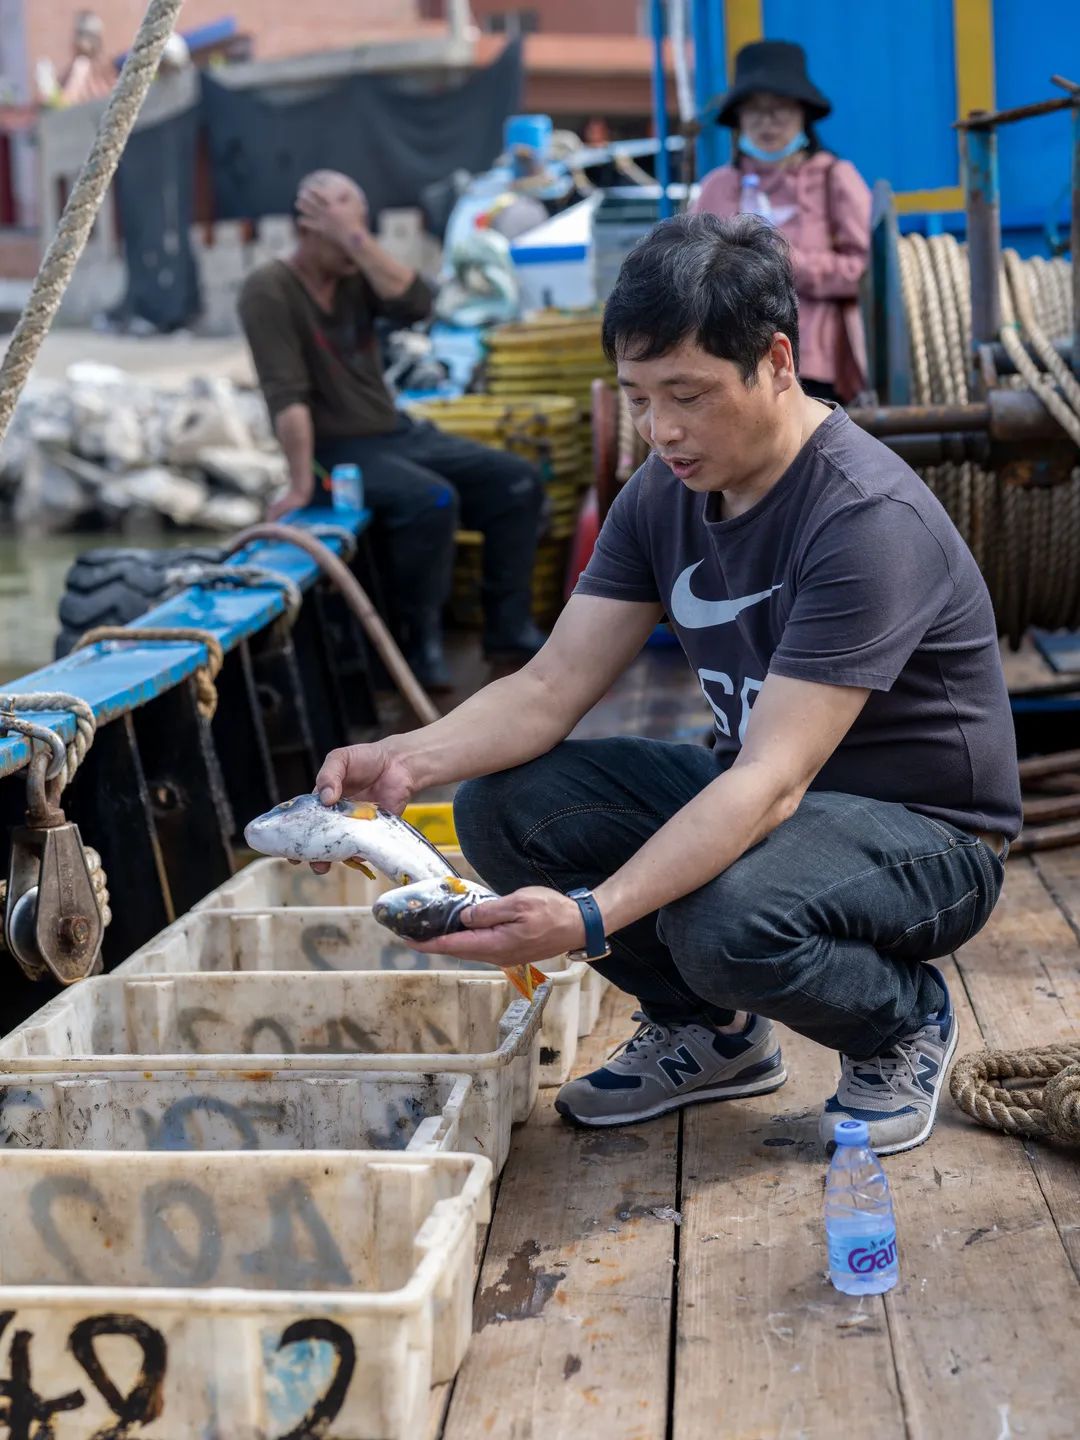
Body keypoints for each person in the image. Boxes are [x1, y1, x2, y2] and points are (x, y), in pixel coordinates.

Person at [312, 213, 1020, 1156]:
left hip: (927, 841)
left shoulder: (866, 517)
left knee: (723, 921)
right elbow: (548, 686)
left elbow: (771, 781)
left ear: (775, 361)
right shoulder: (665, 490)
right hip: (766, 797)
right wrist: (399, 760)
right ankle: (709, 1032)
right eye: (639, 397)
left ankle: (900, 1021)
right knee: (506, 808)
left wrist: (589, 915)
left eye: (687, 394)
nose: (662, 430)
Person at [238, 170, 546, 690]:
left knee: (515, 480)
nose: (355, 244)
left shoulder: (360, 273)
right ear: (308, 228)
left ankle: (508, 629)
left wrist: (355, 240)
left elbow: (419, 305)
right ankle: (416, 645)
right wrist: (297, 485)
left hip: (393, 431)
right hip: (332, 447)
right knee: (431, 500)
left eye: (361, 227)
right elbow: (286, 396)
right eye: (341, 230)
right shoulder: (268, 288)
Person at [692, 40, 871, 404]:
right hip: (732, 361)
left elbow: (864, 272)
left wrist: (782, 262)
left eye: (780, 109)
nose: (767, 122)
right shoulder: (715, 187)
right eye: (755, 111)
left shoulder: (837, 178)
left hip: (818, 365)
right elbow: (692, 274)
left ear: (803, 114)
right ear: (738, 121)